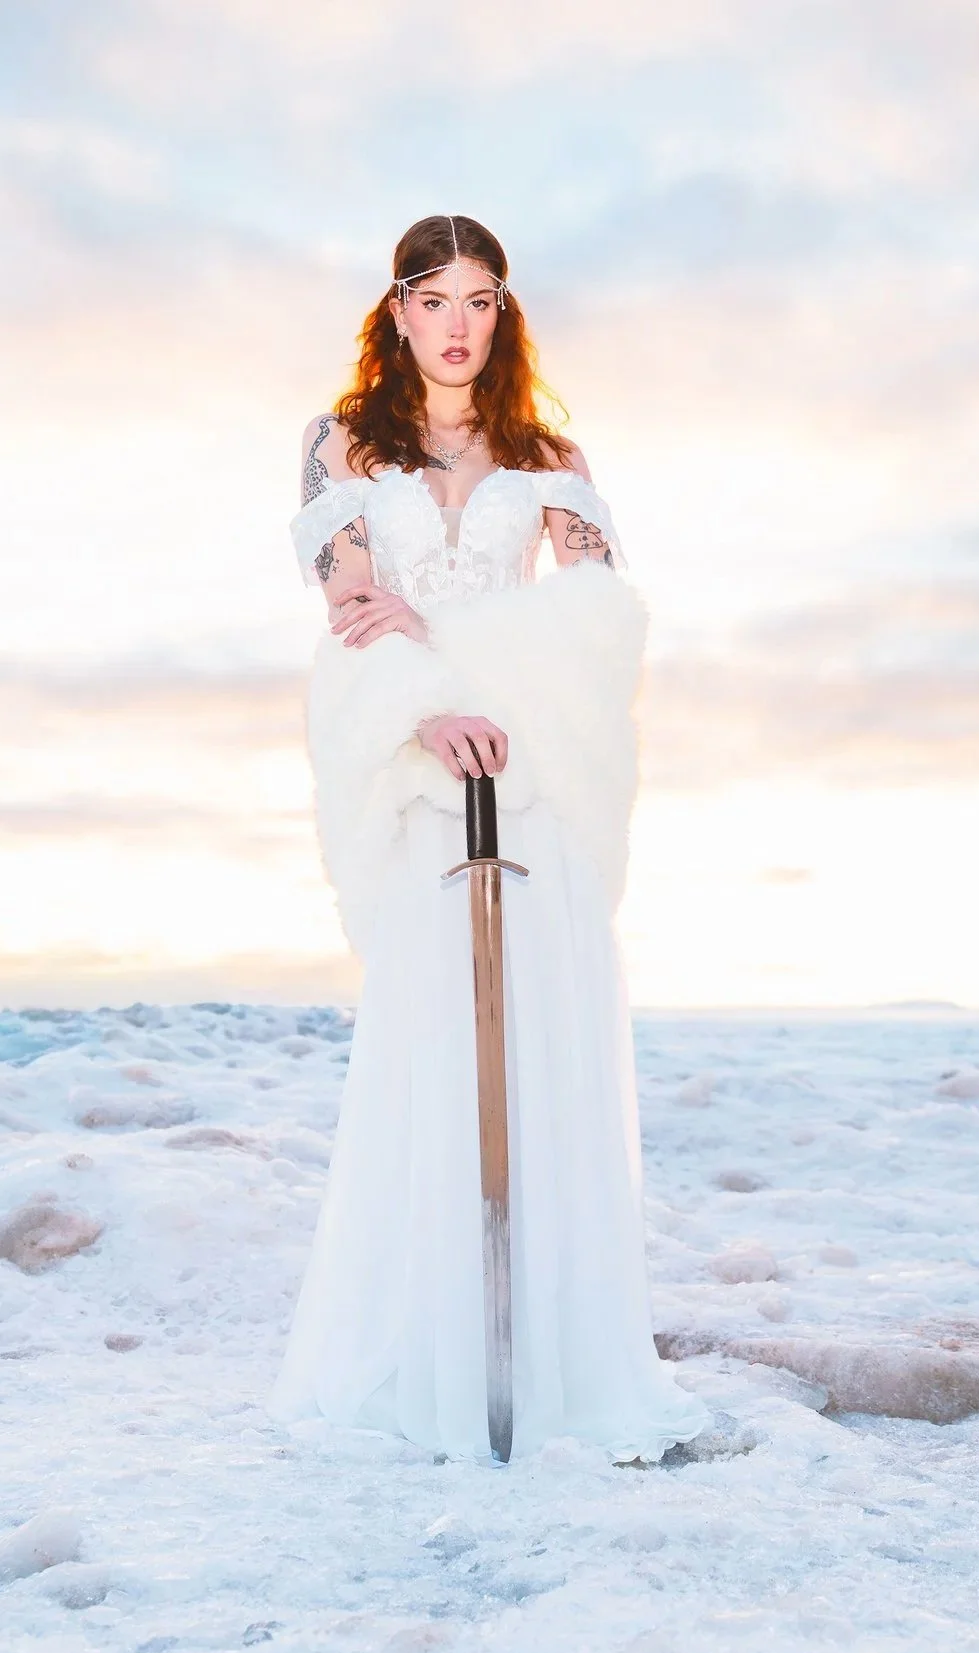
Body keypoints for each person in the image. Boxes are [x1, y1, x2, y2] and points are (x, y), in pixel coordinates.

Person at [269, 214, 709, 1463]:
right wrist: (433, 703)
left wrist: (499, 693)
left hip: (530, 783)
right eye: (433, 298)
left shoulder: (548, 451)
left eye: (481, 299)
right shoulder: (342, 443)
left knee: (540, 1057)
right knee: (433, 1056)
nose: (457, 323)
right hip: (424, 775)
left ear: (500, 313)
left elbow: (597, 612)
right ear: (396, 310)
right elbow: (353, 605)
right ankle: (433, 1367)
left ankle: (551, 1373)